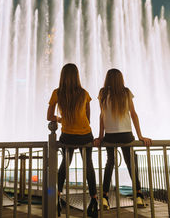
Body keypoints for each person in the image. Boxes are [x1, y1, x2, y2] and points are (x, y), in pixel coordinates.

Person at [94, 68, 152, 210]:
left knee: (110, 163)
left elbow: (102, 117)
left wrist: (101, 137)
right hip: (126, 135)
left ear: (107, 79)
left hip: (110, 136)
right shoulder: (126, 92)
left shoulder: (103, 93)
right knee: (131, 163)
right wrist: (140, 136)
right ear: (121, 79)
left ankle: (105, 198)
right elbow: (133, 114)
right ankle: (138, 195)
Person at [47, 63, 98, 217]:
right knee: (88, 164)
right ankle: (94, 200)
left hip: (67, 136)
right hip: (85, 135)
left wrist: (63, 120)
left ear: (62, 76)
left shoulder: (57, 93)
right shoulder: (84, 93)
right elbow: (88, 118)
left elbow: (49, 117)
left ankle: (57, 195)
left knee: (65, 163)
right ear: (77, 76)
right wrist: (80, 124)